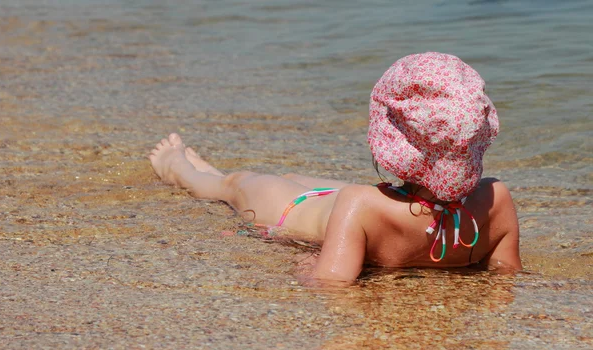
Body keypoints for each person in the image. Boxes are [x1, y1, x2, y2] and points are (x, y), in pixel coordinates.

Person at [149, 52, 521, 283]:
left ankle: (177, 165)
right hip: (352, 204)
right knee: (291, 179)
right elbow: (505, 274)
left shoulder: (360, 203)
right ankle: (199, 166)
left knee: (235, 184)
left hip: (297, 212)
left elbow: (329, 282)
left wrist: (307, 260)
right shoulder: (496, 199)